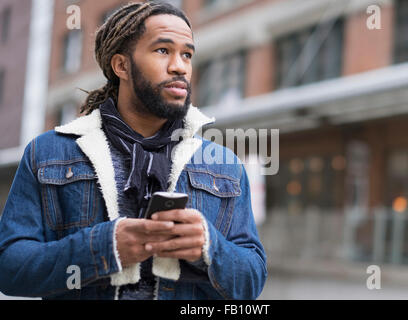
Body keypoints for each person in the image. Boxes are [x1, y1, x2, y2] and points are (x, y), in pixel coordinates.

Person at [0, 2, 267, 300]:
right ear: (121, 66)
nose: (179, 66)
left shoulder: (224, 165)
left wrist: (209, 247)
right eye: (163, 50)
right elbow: (9, 268)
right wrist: (103, 247)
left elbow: (251, 282)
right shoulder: (48, 152)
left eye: (187, 54)